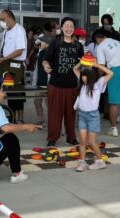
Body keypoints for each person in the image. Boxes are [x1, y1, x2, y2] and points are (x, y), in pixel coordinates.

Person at [42, 17, 84, 147]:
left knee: (71, 114)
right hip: (56, 84)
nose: (68, 28)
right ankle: (52, 138)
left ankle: (71, 138)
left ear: (74, 29)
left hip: (72, 85)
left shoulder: (78, 45)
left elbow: (82, 65)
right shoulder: (55, 42)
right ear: (61, 27)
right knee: (55, 113)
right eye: (66, 25)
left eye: (71, 26)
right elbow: (46, 59)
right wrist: (45, 65)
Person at [73, 55, 113, 172]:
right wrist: (81, 62)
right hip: (82, 115)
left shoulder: (98, 83)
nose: (83, 78)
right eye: (83, 76)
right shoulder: (82, 84)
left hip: (93, 116)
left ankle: (100, 161)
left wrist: (96, 65)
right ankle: (82, 162)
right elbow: (75, 70)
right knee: (82, 142)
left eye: (85, 76)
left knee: (91, 142)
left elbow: (110, 73)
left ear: (91, 76)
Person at [0, 9, 27, 123]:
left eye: (2, 19)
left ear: (10, 17)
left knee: (17, 92)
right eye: (0, 19)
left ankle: (20, 118)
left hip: (16, 65)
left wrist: (5, 58)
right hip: (5, 64)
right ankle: (12, 117)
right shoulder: (6, 31)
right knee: (8, 91)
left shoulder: (19, 30)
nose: (1, 22)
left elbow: (19, 51)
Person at [32, 34, 53, 126]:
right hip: (39, 82)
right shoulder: (41, 52)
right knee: (37, 101)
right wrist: (34, 82)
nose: (41, 43)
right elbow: (37, 68)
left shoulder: (53, 53)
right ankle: (40, 118)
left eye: (42, 41)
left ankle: (51, 121)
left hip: (49, 83)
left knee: (49, 103)